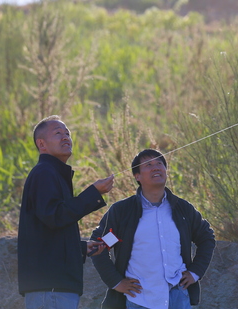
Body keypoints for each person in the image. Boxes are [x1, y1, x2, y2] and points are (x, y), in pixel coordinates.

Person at [90, 149, 216, 309]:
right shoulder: (123, 212)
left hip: (178, 297)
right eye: (148, 165)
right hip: (139, 298)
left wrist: (195, 272)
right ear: (137, 176)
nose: (156, 167)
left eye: (159, 163)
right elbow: (99, 245)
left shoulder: (182, 209)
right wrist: (116, 282)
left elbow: (206, 238)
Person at [18, 115, 115, 309]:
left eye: (67, 133)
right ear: (41, 144)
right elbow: (55, 216)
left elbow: (47, 231)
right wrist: (93, 193)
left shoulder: (52, 173)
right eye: (57, 133)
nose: (65, 137)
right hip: (51, 288)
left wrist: (80, 248)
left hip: (53, 287)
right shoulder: (45, 172)